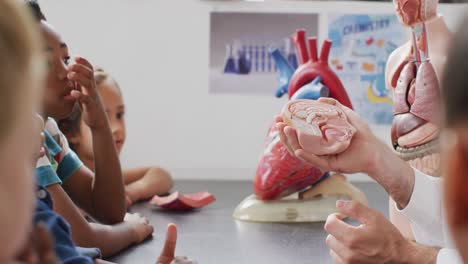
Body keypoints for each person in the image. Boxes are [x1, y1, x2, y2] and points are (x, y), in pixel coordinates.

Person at [27, 0, 153, 257]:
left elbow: (108, 209)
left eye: (65, 59)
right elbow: (78, 238)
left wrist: (98, 125)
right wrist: (132, 230)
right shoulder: (21, 140)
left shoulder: (48, 131)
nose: (66, 73)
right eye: (47, 63)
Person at [59, 68, 173, 207]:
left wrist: (131, 192)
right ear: (70, 132)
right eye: (103, 118)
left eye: (119, 115)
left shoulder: (109, 180)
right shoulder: (63, 184)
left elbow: (161, 175)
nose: (117, 127)